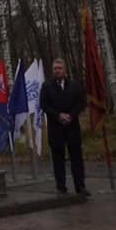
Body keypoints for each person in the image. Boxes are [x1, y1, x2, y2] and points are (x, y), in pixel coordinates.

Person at [40, 58, 90, 196]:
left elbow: (81, 103)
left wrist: (71, 115)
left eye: (60, 68)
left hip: (72, 127)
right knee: (58, 160)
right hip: (56, 128)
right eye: (55, 68)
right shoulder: (46, 86)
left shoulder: (74, 85)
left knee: (76, 158)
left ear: (65, 70)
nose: (57, 71)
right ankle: (61, 187)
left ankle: (80, 186)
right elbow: (44, 105)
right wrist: (58, 115)